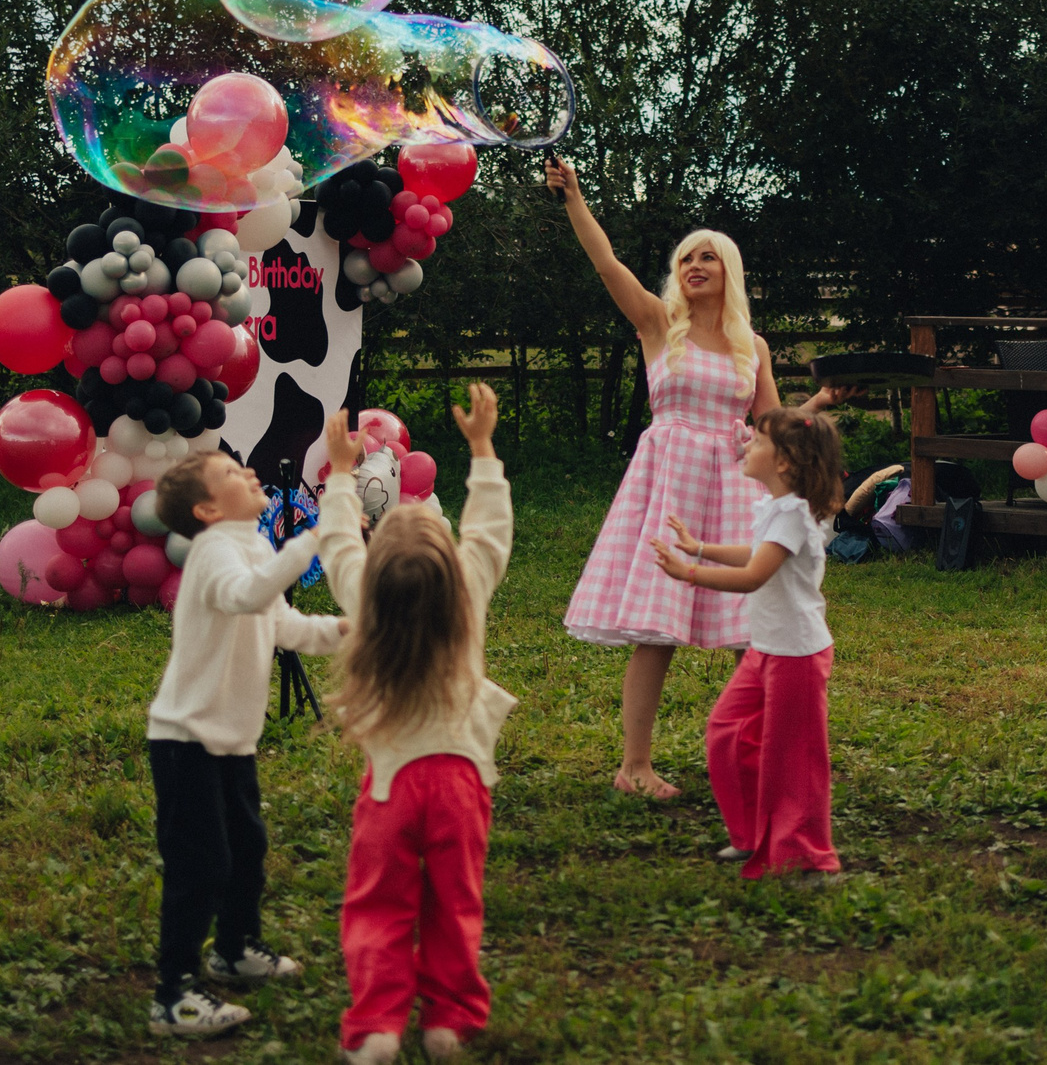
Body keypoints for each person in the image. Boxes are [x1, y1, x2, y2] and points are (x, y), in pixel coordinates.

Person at [544, 157, 848, 798]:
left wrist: (816, 406)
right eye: (687, 258)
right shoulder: (660, 326)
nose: (695, 266)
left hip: (734, 482)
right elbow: (607, 267)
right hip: (672, 479)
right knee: (659, 627)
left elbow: (770, 421)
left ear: (728, 271)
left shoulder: (751, 346)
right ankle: (634, 766)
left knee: (751, 623)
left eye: (707, 257)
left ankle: (762, 754)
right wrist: (574, 199)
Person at [320, 385, 514, 1065]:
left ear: (373, 579)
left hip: (390, 789)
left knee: (377, 906)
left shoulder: (362, 597)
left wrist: (342, 476)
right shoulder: (470, 591)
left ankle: (376, 1026)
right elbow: (490, 530)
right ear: (451, 568)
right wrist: (482, 449)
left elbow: (340, 542)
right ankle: (448, 1023)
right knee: (454, 903)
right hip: (462, 784)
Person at [143, 452, 351, 1038]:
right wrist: (313, 539)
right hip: (186, 741)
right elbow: (244, 597)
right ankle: (173, 995)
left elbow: (279, 623)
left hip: (232, 741)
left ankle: (233, 949)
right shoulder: (213, 553)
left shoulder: (252, 546)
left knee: (246, 848)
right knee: (200, 862)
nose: (248, 473)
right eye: (231, 475)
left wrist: (340, 631)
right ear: (207, 509)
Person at [651, 406, 848, 880]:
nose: (747, 446)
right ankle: (753, 835)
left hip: (796, 655)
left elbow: (755, 575)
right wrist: (698, 546)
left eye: (758, 442)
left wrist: (690, 574)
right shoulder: (776, 509)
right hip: (767, 649)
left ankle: (809, 859)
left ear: (784, 463)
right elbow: (756, 553)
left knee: (795, 759)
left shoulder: (795, 516)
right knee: (727, 731)